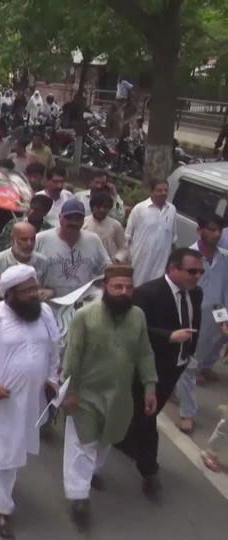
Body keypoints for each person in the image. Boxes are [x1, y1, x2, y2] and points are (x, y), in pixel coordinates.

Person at [0, 265, 60, 539]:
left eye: (35, 288)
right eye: (27, 291)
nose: (34, 294)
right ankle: (1, 509)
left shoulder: (45, 313)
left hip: (34, 400)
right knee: (5, 455)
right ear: (10, 294)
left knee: (11, 448)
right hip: (1, 400)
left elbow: (55, 347)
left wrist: (52, 378)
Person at [61, 264, 157, 531]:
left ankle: (90, 475)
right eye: (118, 287)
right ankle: (78, 498)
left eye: (128, 287)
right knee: (82, 445)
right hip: (85, 395)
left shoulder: (137, 316)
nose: (124, 292)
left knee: (107, 441)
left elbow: (145, 353)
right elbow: (72, 357)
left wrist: (150, 387)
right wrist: (69, 392)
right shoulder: (85, 316)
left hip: (119, 396)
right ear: (106, 288)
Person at [115, 248, 203, 501]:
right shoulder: (148, 293)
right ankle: (149, 470)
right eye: (191, 271)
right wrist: (169, 337)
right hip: (148, 368)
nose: (196, 276)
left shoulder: (196, 293)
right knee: (148, 418)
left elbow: (194, 324)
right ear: (173, 268)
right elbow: (134, 329)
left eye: (200, 272)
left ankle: (123, 441)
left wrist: (188, 354)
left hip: (175, 366)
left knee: (143, 412)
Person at [174, 217, 228, 433]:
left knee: (191, 365)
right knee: (189, 364)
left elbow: (224, 293)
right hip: (185, 316)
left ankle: (172, 389)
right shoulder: (186, 257)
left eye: (220, 231)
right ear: (200, 230)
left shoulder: (224, 260)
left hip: (211, 323)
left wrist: (224, 319)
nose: (217, 235)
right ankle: (188, 412)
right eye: (212, 230)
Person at [35, 199, 110, 297]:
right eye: (69, 218)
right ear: (60, 218)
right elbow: (27, 271)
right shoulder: (41, 239)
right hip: (50, 303)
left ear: (83, 220)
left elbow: (106, 269)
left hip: (82, 304)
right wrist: (38, 289)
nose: (73, 222)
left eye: (78, 218)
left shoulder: (93, 240)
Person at [126, 179, 177, 286]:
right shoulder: (139, 209)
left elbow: (173, 239)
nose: (163, 193)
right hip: (140, 262)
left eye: (166, 190)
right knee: (137, 289)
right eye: (159, 190)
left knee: (155, 292)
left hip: (161, 264)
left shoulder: (172, 210)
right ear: (151, 192)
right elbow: (128, 237)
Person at [0, 222, 51, 296]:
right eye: (24, 239)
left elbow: (50, 288)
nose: (29, 244)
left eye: (32, 239)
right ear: (12, 239)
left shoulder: (43, 261)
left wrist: (48, 292)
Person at [83, 191, 128, 263]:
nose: (102, 210)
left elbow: (123, 248)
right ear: (92, 207)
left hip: (109, 267)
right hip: (86, 264)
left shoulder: (115, 225)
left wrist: (117, 260)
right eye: (98, 207)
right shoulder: (84, 223)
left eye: (105, 207)